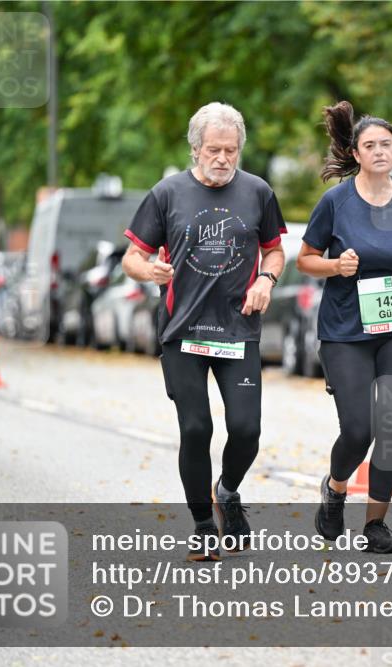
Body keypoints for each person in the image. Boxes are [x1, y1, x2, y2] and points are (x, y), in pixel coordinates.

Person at [122, 102, 286, 561]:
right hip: (183, 330)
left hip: (238, 329)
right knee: (196, 429)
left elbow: (274, 251)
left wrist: (265, 280)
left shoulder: (257, 192)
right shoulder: (167, 193)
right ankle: (201, 527)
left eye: (231, 150)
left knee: (246, 429)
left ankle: (227, 491)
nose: (222, 158)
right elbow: (131, 257)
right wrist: (149, 270)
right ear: (196, 149)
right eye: (213, 149)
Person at [297, 101, 392, 554]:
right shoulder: (336, 202)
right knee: (359, 429)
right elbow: (305, 259)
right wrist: (336, 266)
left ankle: (376, 525)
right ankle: (336, 489)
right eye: (370, 145)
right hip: (346, 330)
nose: (380, 151)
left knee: (391, 424)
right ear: (356, 154)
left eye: (387, 144)